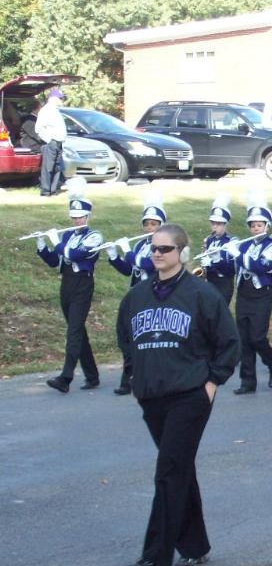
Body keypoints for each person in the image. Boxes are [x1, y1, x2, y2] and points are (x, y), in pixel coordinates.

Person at [116, 223, 240, 566]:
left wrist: (212, 382)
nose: (157, 254)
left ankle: (156, 556)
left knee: (168, 469)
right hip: (152, 396)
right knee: (179, 467)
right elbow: (125, 337)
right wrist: (133, 377)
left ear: (182, 253)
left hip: (190, 396)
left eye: (165, 249)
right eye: (153, 248)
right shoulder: (136, 296)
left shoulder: (202, 294)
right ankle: (195, 545)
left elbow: (229, 343)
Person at [34, 177, 103, 393]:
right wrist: (42, 246)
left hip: (83, 284)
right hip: (67, 285)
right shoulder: (67, 235)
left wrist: (56, 242)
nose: (77, 221)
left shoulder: (94, 236)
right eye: (74, 217)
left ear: (88, 215)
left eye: (81, 217)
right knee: (77, 331)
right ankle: (92, 375)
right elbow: (56, 261)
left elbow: (74, 255)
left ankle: (66, 377)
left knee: (73, 332)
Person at [107, 192, 166, 395]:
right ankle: (129, 379)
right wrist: (115, 257)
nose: (149, 228)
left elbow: (149, 264)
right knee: (127, 337)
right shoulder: (141, 244)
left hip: (153, 296)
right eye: (147, 224)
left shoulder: (163, 246)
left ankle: (144, 379)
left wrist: (129, 253)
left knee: (149, 339)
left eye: (154, 223)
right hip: (135, 295)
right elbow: (129, 269)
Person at [227, 191, 272, 394]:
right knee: (244, 340)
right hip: (243, 294)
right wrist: (226, 255)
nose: (255, 228)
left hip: (261, 295)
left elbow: (261, 266)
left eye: (259, 225)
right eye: (252, 225)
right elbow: (236, 267)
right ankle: (247, 381)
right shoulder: (245, 245)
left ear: (267, 226)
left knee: (257, 337)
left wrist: (238, 255)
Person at [200, 194, 237, 305]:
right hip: (210, 282)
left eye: (219, 224)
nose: (215, 227)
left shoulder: (231, 241)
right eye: (213, 223)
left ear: (225, 224)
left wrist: (215, 262)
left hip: (224, 283)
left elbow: (231, 269)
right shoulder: (209, 240)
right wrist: (205, 265)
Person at [35, 88, 67, 197]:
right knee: (48, 168)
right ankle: (45, 192)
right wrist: (49, 141)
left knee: (57, 168)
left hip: (59, 142)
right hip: (51, 143)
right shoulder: (46, 110)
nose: (62, 100)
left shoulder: (56, 111)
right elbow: (39, 128)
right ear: (53, 98)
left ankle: (53, 191)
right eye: (60, 98)